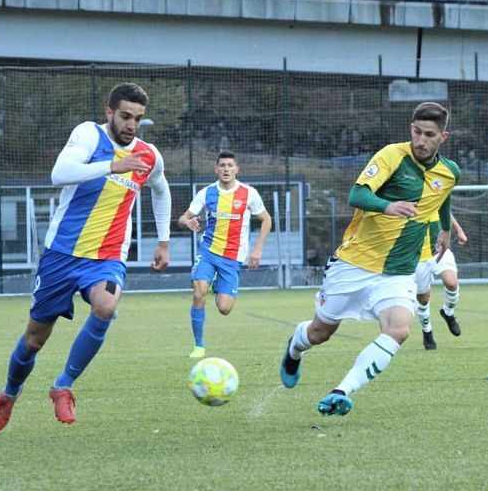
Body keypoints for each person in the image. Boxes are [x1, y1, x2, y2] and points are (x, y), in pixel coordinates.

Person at [0, 83, 172, 434]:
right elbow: (60, 174)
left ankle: (63, 385)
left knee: (106, 307)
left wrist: (163, 241)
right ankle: (9, 394)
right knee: (33, 340)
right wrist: (114, 165)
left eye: (138, 119)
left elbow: (162, 190)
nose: (132, 125)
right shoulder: (89, 134)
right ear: (109, 113)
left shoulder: (149, 156)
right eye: (125, 116)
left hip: (107, 257)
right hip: (62, 254)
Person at [279, 102, 460, 416]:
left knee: (400, 329)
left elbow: (443, 194)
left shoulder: (450, 172)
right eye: (416, 132)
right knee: (319, 334)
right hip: (354, 264)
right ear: (411, 129)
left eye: (429, 135)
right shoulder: (391, 155)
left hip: (398, 272)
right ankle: (294, 349)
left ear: (443, 137)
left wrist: (445, 229)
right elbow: (356, 195)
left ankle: (341, 391)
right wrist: (388, 206)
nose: (421, 140)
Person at [178, 151, 272, 358]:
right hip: (208, 252)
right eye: (222, 165)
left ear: (237, 169)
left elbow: (266, 219)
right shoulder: (206, 193)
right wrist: (186, 221)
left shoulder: (248, 193)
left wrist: (257, 249)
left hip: (232, 258)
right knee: (198, 291)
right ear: (216, 169)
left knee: (224, 308)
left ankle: (217, 286)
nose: (226, 169)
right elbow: (182, 218)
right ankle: (199, 346)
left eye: (230, 165)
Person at [416, 214, 467, 350]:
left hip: (439, 250)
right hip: (418, 255)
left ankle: (448, 313)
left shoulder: (435, 192)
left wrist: (459, 230)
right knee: (423, 299)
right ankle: (427, 331)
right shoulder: (406, 197)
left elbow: (446, 209)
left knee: (452, 282)